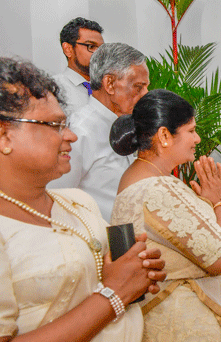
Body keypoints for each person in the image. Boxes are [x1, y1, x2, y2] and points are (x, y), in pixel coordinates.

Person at [0, 57, 165, 342]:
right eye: (54, 125)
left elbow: (109, 274)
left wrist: (136, 270)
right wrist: (114, 294)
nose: (71, 136)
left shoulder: (77, 202)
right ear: (4, 135)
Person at [110, 89, 221, 342]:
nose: (197, 138)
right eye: (191, 130)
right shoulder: (158, 188)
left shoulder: (135, 178)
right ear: (164, 135)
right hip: (184, 325)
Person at [48, 42, 149, 221]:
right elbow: (57, 199)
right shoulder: (80, 132)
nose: (145, 95)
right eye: (138, 87)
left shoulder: (126, 123)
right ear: (109, 83)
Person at [53, 17, 104, 116]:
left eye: (102, 48)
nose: (99, 54)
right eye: (91, 46)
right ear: (68, 49)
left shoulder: (108, 87)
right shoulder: (54, 88)